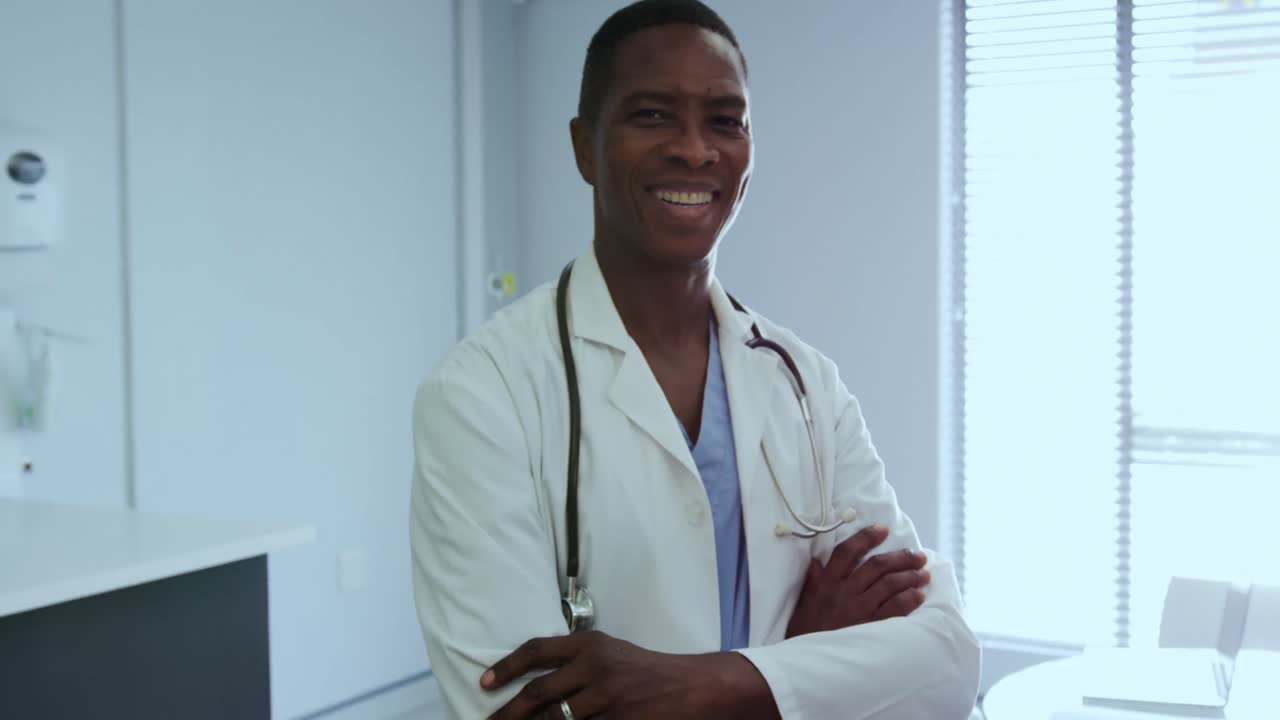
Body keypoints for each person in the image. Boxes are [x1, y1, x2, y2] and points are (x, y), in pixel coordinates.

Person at [409, 1, 980, 717]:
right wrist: (797, 664)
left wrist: (721, 679)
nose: (693, 149)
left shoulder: (803, 382)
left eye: (725, 120)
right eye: (651, 115)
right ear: (584, 147)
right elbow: (517, 711)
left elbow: (946, 661)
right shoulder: (482, 395)